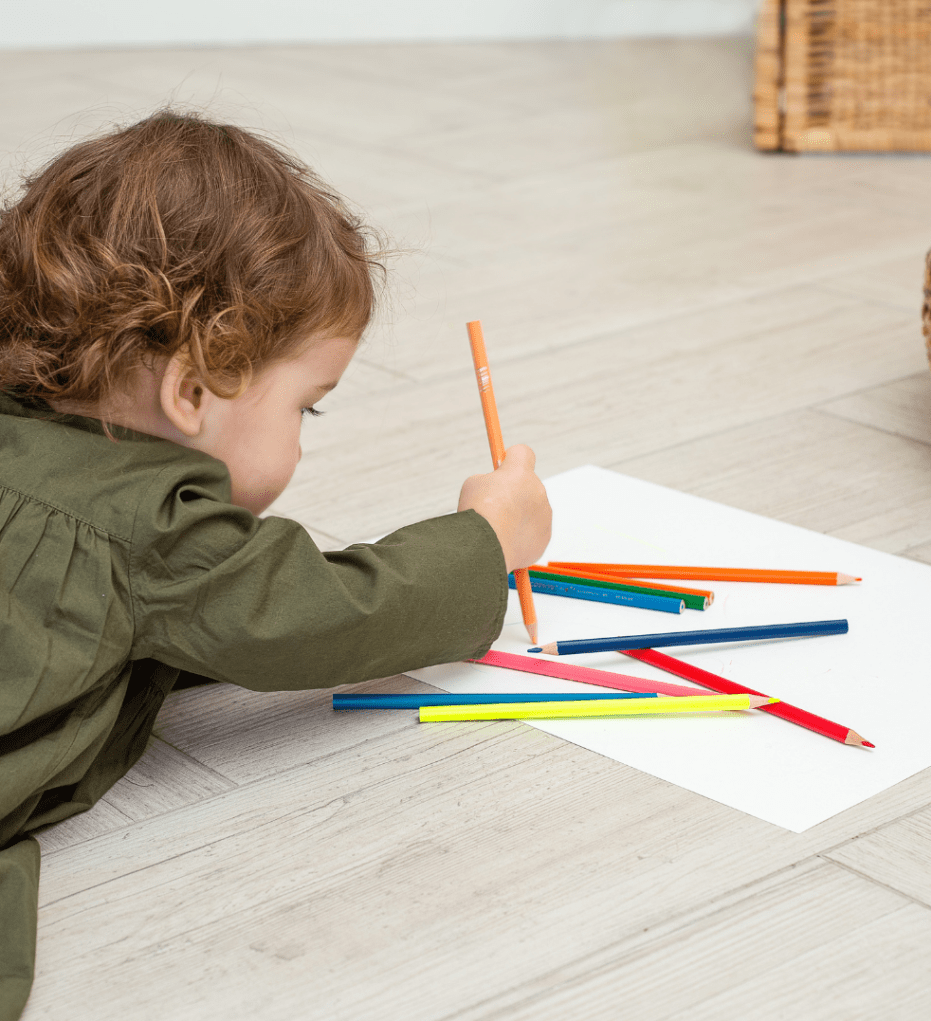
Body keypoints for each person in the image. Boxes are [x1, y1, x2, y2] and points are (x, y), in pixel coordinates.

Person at [0, 109, 551, 1020]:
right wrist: (488, 541)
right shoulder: (149, 527)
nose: (304, 439)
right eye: (307, 408)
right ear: (190, 389)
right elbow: (315, 615)